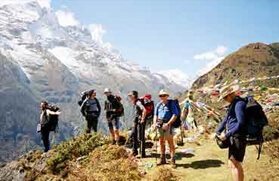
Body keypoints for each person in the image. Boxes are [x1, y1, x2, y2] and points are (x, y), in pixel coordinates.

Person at [215, 85, 247, 181]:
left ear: (229, 95)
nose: (225, 100)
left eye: (225, 97)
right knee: (232, 163)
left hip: (238, 136)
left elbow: (241, 122)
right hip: (234, 136)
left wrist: (227, 134)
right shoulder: (233, 104)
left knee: (235, 163)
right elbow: (226, 119)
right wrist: (218, 131)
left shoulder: (238, 104)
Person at [153, 90, 179, 168]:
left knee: (170, 141)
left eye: (164, 95)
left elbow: (175, 115)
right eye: (161, 96)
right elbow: (155, 115)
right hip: (160, 124)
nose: (162, 97)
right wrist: (154, 124)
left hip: (168, 124)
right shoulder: (158, 105)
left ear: (167, 96)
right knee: (161, 141)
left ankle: (173, 160)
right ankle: (162, 158)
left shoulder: (171, 104)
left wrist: (168, 124)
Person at [128, 90, 147, 157]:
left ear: (133, 96)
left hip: (139, 122)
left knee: (140, 137)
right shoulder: (135, 102)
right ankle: (135, 152)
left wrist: (142, 119)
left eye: (130, 96)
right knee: (134, 135)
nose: (130, 97)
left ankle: (142, 153)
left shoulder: (138, 102)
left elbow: (144, 110)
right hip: (136, 121)